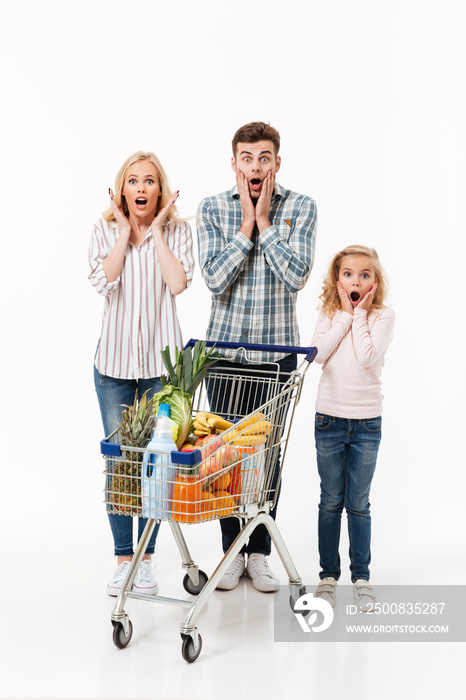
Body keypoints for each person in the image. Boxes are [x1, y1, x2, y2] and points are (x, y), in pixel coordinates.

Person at [197, 121, 317, 592]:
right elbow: (213, 279)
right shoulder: (211, 209)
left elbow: (296, 276)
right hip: (224, 355)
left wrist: (265, 223)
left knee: (267, 460)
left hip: (276, 361)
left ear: (277, 162)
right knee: (225, 461)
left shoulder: (301, 207)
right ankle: (232, 552)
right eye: (247, 158)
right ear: (234, 163)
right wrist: (246, 224)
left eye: (264, 158)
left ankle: (260, 553)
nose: (255, 166)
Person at [88, 151, 194, 596]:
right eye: (133, 181)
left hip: (158, 370)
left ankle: (147, 561)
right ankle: (122, 558)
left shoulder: (178, 231)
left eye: (150, 181)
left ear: (160, 190)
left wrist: (156, 233)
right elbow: (101, 281)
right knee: (120, 464)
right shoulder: (103, 230)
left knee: (155, 465)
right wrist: (123, 233)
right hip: (112, 367)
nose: (142, 189)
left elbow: (178, 283)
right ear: (122, 190)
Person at [311, 245, 395, 612]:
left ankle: (361, 578)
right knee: (331, 500)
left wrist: (359, 314)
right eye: (348, 274)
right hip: (329, 419)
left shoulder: (383, 317)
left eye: (364, 275)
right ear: (337, 278)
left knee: (358, 504)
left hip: (365, 423)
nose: (356, 280)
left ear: (375, 281)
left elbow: (366, 356)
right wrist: (344, 315)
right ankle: (329, 576)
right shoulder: (328, 313)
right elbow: (317, 353)